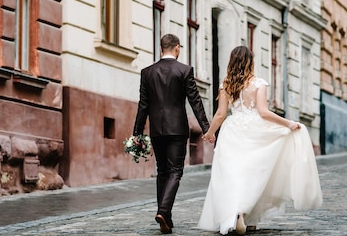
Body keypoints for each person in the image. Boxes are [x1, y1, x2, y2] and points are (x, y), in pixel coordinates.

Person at [198, 46, 322, 235]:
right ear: (251, 62)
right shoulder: (258, 83)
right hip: (254, 131)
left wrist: (210, 132)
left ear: (232, 62)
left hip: (232, 131)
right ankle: (249, 216)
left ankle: (238, 214)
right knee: (254, 174)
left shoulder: (226, 85)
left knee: (231, 174)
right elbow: (263, 112)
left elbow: (221, 114)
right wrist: (287, 123)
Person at [133, 33, 211, 234]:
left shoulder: (147, 72)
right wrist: (206, 127)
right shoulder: (184, 70)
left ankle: (165, 217)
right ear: (177, 48)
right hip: (177, 129)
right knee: (175, 171)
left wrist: (137, 133)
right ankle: (163, 210)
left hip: (157, 129)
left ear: (161, 49)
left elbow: (143, 105)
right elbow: (195, 101)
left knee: (162, 170)